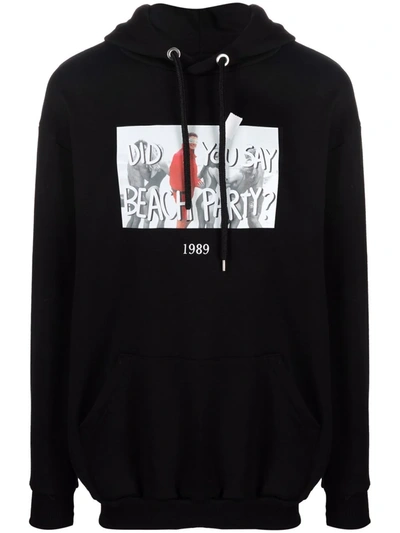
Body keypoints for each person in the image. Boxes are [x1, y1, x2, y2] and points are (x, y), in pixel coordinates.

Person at [169, 132, 202, 229]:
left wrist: (196, 181)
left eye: (195, 141)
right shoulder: (180, 155)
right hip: (182, 194)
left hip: (186, 193)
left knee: (188, 217)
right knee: (183, 218)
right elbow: (175, 175)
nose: (193, 143)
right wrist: (177, 192)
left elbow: (190, 174)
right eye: (191, 140)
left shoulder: (190, 156)